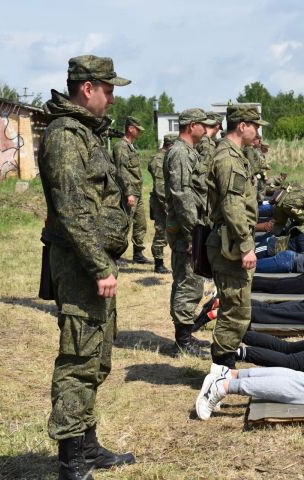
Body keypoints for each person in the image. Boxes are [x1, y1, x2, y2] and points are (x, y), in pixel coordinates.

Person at [39, 55, 136, 478]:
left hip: (92, 262)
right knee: (79, 358)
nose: (112, 99)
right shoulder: (65, 137)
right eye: (109, 90)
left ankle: (89, 446)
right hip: (81, 266)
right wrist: (100, 267)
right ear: (88, 88)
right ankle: (71, 462)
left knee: (96, 355)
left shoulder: (87, 134)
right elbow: (73, 211)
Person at [205, 105, 268, 369]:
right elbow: (232, 205)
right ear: (241, 126)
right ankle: (222, 368)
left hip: (231, 240)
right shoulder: (228, 159)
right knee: (235, 309)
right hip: (230, 243)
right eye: (255, 125)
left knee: (237, 306)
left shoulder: (235, 156)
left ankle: (224, 363)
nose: (257, 131)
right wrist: (245, 246)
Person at [163, 108, 216, 357]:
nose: (205, 130)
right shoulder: (180, 153)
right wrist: (192, 235)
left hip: (191, 226)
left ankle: (184, 335)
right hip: (187, 229)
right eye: (202, 125)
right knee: (189, 282)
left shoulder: (188, 152)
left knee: (187, 280)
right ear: (191, 125)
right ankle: (183, 341)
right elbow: (182, 196)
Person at [113, 115, 150, 264]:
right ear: (130, 129)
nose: (139, 132)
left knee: (141, 223)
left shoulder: (131, 146)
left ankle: (138, 254)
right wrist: (128, 193)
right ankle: (115, 255)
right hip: (128, 192)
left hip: (137, 191)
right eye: (137, 130)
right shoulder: (121, 146)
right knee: (124, 224)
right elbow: (121, 171)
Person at [148, 133, 177, 274]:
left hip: (167, 200)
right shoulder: (158, 160)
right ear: (170, 145)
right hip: (161, 202)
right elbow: (160, 186)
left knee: (169, 230)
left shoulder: (166, 157)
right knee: (161, 231)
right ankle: (158, 263)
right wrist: (167, 207)